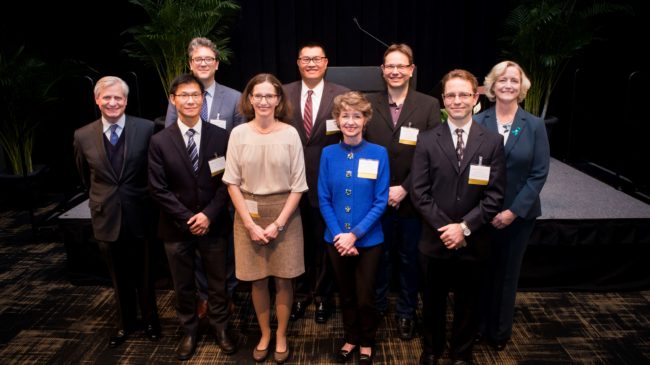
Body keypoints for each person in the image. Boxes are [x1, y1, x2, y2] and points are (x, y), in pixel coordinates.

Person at [410, 69, 506, 365]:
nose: (457, 100)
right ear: (443, 99)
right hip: (435, 238)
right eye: (451, 95)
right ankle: (432, 349)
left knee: (468, 301)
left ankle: (461, 353)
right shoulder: (426, 140)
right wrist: (447, 228)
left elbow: (495, 196)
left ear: (475, 98)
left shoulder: (491, 142)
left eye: (463, 94)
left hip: (473, 239)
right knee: (433, 301)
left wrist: (463, 228)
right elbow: (419, 192)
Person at [149, 73, 236, 360]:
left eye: (195, 95)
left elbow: (227, 182)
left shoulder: (221, 136)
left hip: (214, 224)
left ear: (203, 99)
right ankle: (189, 330)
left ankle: (220, 327)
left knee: (218, 281)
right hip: (176, 228)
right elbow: (158, 189)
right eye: (183, 95)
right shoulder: (160, 140)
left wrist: (208, 215)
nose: (190, 100)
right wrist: (189, 218)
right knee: (183, 283)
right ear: (173, 100)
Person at [223, 73, 307, 364]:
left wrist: (278, 224)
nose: (263, 101)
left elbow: (299, 185)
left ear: (279, 100)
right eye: (257, 95)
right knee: (257, 282)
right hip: (248, 215)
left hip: (285, 215)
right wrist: (248, 223)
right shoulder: (238, 134)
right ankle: (265, 334)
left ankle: (281, 334)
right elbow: (231, 182)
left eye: (269, 95)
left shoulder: (290, 134)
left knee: (284, 281)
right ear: (248, 99)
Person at [73, 76, 160, 348]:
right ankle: (125, 324)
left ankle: (150, 321)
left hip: (141, 213)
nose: (113, 103)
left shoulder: (147, 128)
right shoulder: (83, 135)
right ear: (97, 100)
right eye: (107, 97)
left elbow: (153, 170)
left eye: (118, 98)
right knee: (117, 276)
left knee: (145, 274)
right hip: (106, 215)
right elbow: (85, 176)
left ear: (126, 100)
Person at [365, 43, 441, 340]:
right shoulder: (368, 103)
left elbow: (433, 154)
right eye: (389, 66)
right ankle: (380, 305)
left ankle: (407, 311)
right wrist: (384, 191)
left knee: (410, 258)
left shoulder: (428, 105)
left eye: (401, 66)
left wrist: (405, 189)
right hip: (375, 199)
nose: (395, 71)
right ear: (382, 71)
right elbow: (361, 150)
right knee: (379, 256)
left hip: (413, 199)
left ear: (411, 70)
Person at [474, 61, 550, 351]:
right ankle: (479, 326)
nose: (508, 85)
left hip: (518, 215)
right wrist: (485, 210)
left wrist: (512, 211)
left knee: (507, 274)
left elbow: (539, 172)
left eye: (514, 81)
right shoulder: (479, 122)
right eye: (502, 80)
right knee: (481, 272)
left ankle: (500, 332)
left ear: (522, 88)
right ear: (492, 86)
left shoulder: (534, 125)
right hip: (481, 213)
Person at [164, 36, 243, 319]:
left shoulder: (234, 98)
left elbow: (239, 143)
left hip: (223, 186)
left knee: (226, 246)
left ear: (217, 64)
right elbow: (170, 140)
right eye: (198, 59)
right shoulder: (178, 97)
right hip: (189, 188)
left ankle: (227, 294)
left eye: (209, 59)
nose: (204, 63)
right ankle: (203, 297)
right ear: (190, 63)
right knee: (195, 248)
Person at [318, 91, 389, 365]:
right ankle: (350, 337)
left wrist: (354, 234)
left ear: (365, 120)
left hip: (369, 240)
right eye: (344, 116)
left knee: (365, 298)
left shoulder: (378, 153)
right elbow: (323, 198)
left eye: (356, 116)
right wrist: (340, 235)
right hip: (335, 239)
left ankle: (367, 341)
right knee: (345, 295)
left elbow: (381, 200)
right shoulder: (327, 153)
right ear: (337, 120)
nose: (350, 121)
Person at [283, 42, 349, 324]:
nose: (311, 63)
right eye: (305, 59)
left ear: (326, 63)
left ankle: (322, 296)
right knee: (294, 243)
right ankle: (298, 296)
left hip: (328, 183)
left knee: (325, 243)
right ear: (298, 63)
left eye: (316, 59)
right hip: (289, 183)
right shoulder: (282, 93)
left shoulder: (342, 95)